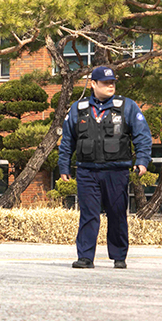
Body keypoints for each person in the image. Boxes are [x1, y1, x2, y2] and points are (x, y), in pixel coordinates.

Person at [59, 66, 152, 269]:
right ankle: (85, 257)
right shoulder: (78, 108)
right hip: (87, 171)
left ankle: (119, 256)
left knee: (117, 213)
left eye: (112, 83)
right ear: (93, 84)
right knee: (88, 214)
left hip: (116, 170)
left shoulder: (127, 107)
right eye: (105, 83)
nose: (110, 86)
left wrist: (142, 160)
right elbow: (67, 140)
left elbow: (142, 136)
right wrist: (64, 166)